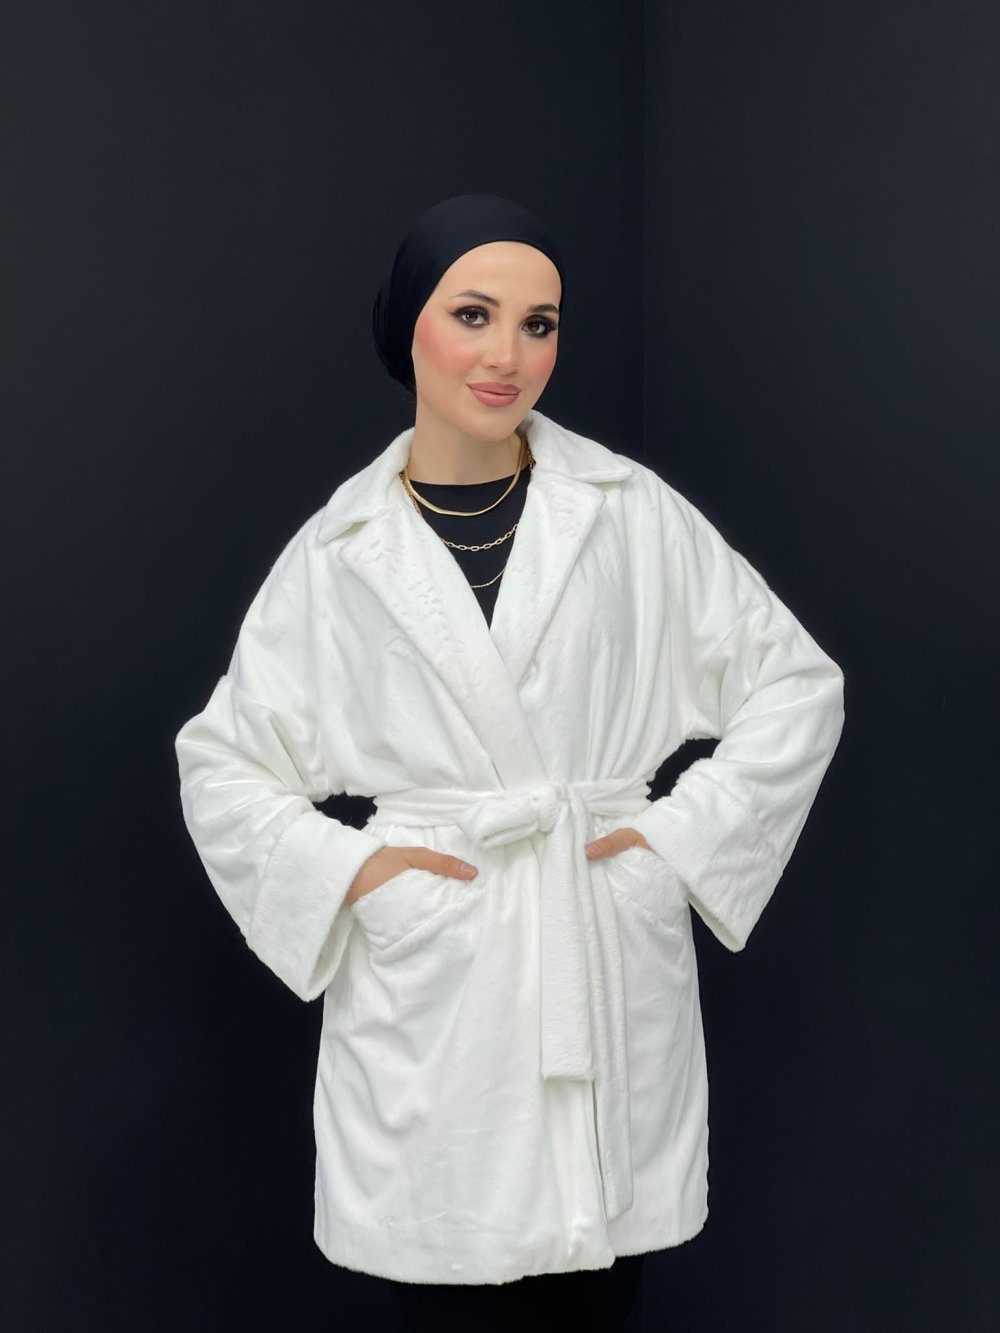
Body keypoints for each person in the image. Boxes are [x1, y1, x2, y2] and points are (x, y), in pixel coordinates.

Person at [174, 193, 845, 1329]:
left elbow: (795, 684)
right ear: (409, 328)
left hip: (598, 952)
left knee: (599, 1292)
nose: (508, 355)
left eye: (540, 325)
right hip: (439, 992)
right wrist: (358, 875)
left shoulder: (628, 513)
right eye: (473, 314)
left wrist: (673, 842)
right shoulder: (340, 550)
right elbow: (224, 760)